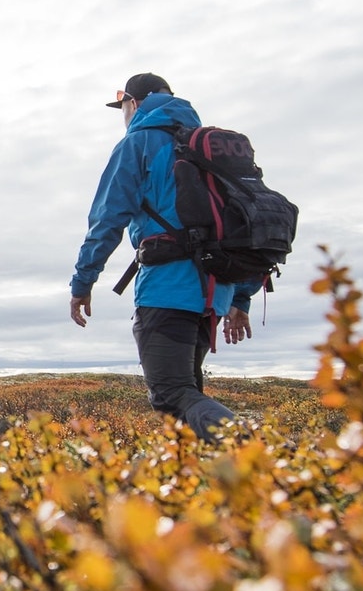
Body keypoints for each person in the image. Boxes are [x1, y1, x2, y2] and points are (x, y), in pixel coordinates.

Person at [68, 72, 257, 440]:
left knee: (171, 395)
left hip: (167, 288)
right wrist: (241, 297)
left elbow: (107, 220)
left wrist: (82, 282)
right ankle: (217, 489)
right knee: (187, 398)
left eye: (122, 107)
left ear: (134, 103)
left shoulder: (138, 143)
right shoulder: (212, 146)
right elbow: (246, 222)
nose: (123, 115)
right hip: (215, 292)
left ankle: (250, 448)